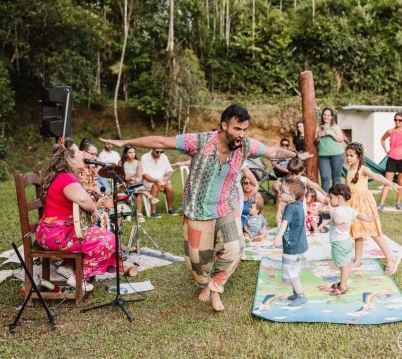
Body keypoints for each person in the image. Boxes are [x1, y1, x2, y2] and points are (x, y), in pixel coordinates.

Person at [100, 104, 312, 311]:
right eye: (237, 128)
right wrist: (124, 141)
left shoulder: (246, 146)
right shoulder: (200, 141)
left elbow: (272, 150)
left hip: (225, 207)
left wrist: (295, 155)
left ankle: (215, 287)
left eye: (245, 129)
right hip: (198, 210)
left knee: (235, 249)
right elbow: (162, 141)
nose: (241, 134)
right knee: (199, 263)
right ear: (224, 126)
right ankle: (205, 283)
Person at [36, 138, 118, 292]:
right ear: (69, 158)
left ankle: (70, 267)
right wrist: (94, 209)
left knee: (101, 234)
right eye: (79, 152)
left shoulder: (62, 175)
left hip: (52, 231)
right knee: (109, 239)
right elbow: (83, 200)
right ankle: (78, 277)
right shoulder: (66, 178)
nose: (82, 154)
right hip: (56, 235)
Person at [344, 142, 401, 276]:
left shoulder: (363, 169)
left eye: (351, 155)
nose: (348, 158)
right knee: (357, 232)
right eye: (347, 155)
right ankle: (358, 261)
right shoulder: (349, 169)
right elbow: (348, 187)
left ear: (359, 156)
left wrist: (390, 183)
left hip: (364, 203)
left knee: (374, 233)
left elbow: (377, 176)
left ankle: (391, 259)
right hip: (353, 203)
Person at [320, 184, 376, 296]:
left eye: (331, 197)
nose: (330, 200)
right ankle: (343, 282)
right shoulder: (349, 209)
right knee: (346, 265)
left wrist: (337, 221)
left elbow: (335, 218)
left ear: (339, 198)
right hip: (346, 242)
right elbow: (359, 215)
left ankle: (342, 287)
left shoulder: (337, 211)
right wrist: (369, 219)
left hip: (339, 243)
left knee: (343, 266)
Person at [272, 178, 308, 306]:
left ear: (292, 197)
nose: (280, 193)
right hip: (299, 245)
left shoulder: (290, 208)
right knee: (295, 269)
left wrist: (278, 236)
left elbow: (284, 223)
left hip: (292, 246)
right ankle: (296, 293)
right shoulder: (298, 205)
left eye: (283, 191)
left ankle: (301, 295)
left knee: (289, 270)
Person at [141, 148, 178, 218]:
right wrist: (155, 181)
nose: (159, 154)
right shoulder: (145, 157)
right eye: (157, 152)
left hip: (161, 180)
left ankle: (170, 209)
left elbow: (170, 170)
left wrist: (168, 177)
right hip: (149, 181)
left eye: (162, 152)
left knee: (169, 186)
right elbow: (144, 174)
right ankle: (153, 211)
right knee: (155, 186)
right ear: (152, 149)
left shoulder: (163, 156)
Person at [316, 107, 345, 192]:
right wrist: (318, 136)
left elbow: (341, 139)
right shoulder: (318, 127)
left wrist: (330, 133)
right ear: (322, 116)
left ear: (331, 116)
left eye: (328, 115)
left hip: (337, 154)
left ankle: (336, 200)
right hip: (323, 156)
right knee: (325, 178)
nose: (326, 117)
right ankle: (326, 200)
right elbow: (315, 142)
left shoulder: (335, 127)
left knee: (336, 178)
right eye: (324, 115)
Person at [119, 145, 146, 223]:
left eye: (134, 152)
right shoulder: (121, 163)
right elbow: (121, 177)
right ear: (125, 154)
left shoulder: (138, 163)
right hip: (124, 185)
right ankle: (148, 196)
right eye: (130, 152)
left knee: (137, 190)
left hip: (135, 184)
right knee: (138, 188)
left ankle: (139, 213)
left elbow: (139, 178)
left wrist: (131, 178)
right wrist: (130, 179)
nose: (132, 154)